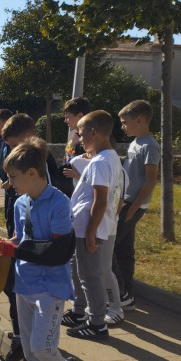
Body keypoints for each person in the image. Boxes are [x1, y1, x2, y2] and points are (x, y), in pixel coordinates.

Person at [0, 138, 78, 361]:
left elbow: (58, 251)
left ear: (32, 173)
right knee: (31, 351)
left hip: (50, 286)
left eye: (13, 177)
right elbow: (20, 240)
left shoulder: (60, 203)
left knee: (42, 346)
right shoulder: (21, 203)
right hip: (24, 283)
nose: (9, 183)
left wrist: (15, 249)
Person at [62, 110, 123, 341]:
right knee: (81, 273)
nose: (78, 138)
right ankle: (84, 315)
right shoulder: (108, 158)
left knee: (90, 277)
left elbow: (101, 200)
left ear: (94, 132)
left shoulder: (101, 162)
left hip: (90, 230)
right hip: (84, 228)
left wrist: (90, 234)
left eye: (81, 133)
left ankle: (97, 323)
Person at [0, 112, 39, 361]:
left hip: (29, 248)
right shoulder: (20, 169)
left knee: (17, 289)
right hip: (17, 237)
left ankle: (25, 340)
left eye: (12, 145)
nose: (9, 151)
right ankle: (24, 336)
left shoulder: (40, 167)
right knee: (11, 288)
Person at [113, 100, 160, 312]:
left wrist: (132, 210)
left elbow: (151, 180)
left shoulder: (150, 145)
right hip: (125, 202)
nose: (123, 127)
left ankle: (121, 293)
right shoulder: (135, 142)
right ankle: (127, 295)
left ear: (139, 120)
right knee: (123, 249)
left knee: (109, 246)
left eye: (125, 122)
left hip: (133, 205)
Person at [59, 98, 92, 196]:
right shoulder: (72, 133)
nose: (65, 121)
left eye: (68, 117)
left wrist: (78, 176)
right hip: (68, 190)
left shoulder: (90, 138)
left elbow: (97, 171)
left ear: (80, 116)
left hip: (82, 192)